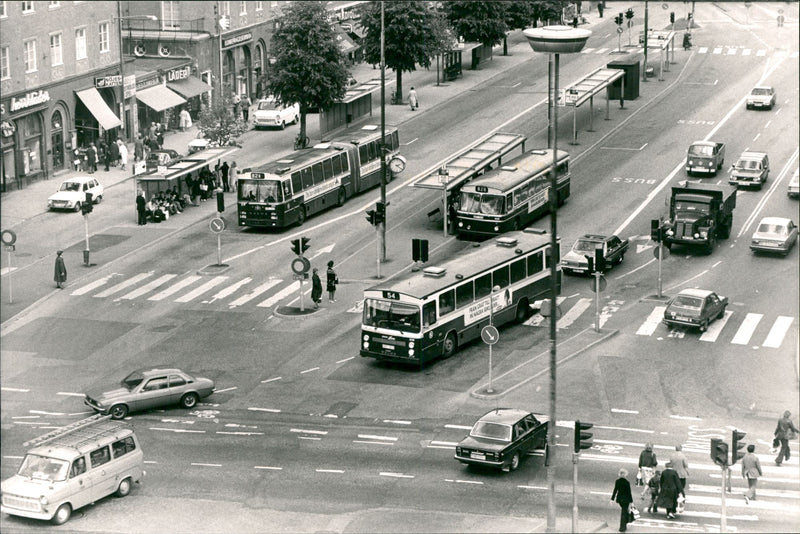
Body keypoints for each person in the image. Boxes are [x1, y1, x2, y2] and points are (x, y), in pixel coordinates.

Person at [611, 468, 633, 532]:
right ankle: (622, 527)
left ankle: (624, 526)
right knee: (624, 512)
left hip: (620, 499)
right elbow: (629, 493)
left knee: (624, 511)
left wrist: (612, 499)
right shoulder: (627, 482)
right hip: (626, 500)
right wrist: (631, 502)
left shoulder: (617, 481)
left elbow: (615, 490)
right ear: (624, 474)